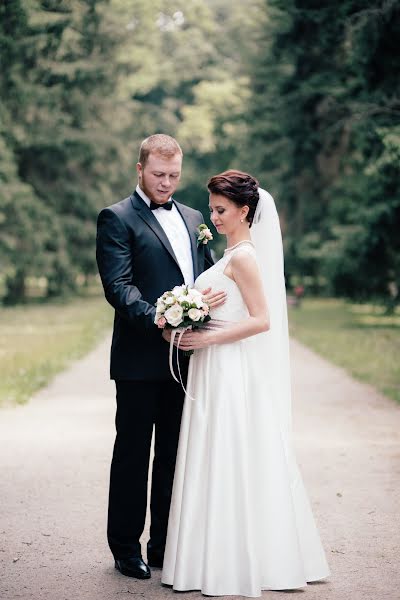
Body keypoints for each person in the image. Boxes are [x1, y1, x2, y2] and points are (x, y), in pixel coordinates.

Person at [162, 170, 330, 596]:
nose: (213, 217)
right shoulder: (229, 254)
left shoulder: (245, 258)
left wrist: (208, 336)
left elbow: (262, 320)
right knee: (214, 455)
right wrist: (182, 318)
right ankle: (210, 556)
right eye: (213, 209)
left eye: (220, 210)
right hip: (213, 365)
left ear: (244, 211)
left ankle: (237, 560)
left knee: (231, 454)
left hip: (231, 368)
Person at [96, 134, 225, 580]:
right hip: (138, 359)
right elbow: (119, 287)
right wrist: (161, 321)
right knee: (133, 454)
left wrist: (204, 315)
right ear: (139, 169)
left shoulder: (193, 218)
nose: (166, 183)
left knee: (175, 453)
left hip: (189, 359)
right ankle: (125, 547)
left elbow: (204, 273)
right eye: (158, 174)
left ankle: (165, 544)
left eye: (173, 175)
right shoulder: (116, 218)